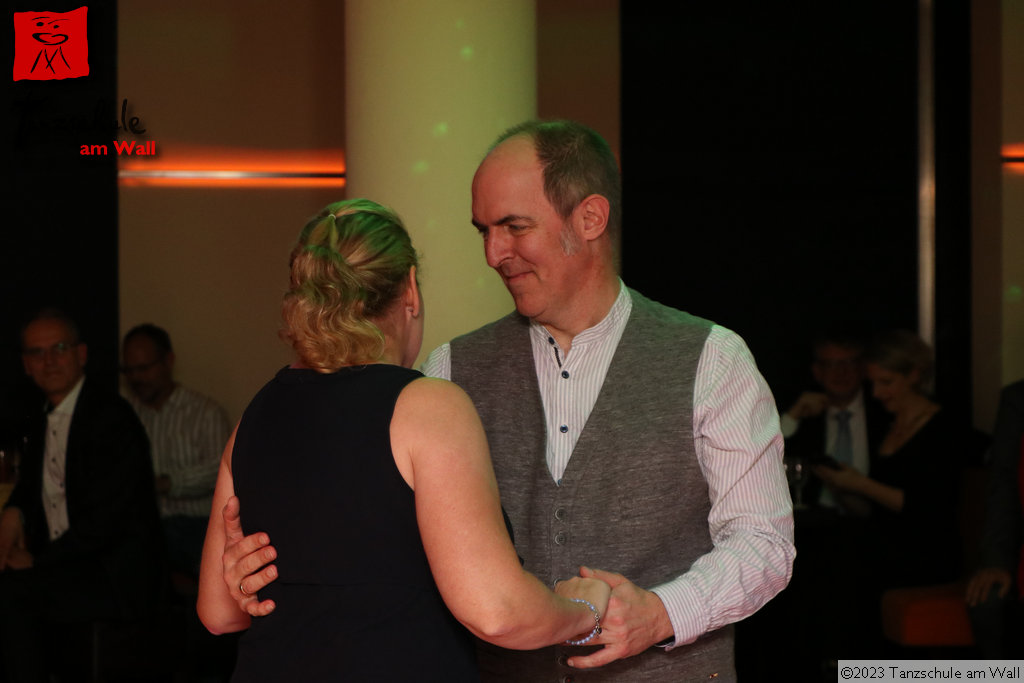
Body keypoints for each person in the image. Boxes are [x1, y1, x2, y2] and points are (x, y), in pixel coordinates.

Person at [221, 121, 794, 682]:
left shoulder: (713, 359)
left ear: (590, 218)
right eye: (484, 231)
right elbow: (375, 531)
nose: (494, 253)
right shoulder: (448, 371)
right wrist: (266, 571)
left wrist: (663, 613)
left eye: (514, 227)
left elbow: (763, 543)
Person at [196, 199, 612, 682]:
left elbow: (218, 613)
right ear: (410, 289)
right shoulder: (427, 406)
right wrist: (584, 611)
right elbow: (497, 612)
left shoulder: (255, 416)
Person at [0, 309, 163, 683]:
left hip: (112, 575)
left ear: (81, 354)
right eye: (37, 352)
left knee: (11, 594)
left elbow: (107, 522)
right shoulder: (42, 417)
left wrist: (37, 561)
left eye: (59, 348)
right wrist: (14, 512)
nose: (49, 361)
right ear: (26, 365)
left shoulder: (111, 418)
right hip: (71, 565)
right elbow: (33, 485)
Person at [122, 323, 231, 576]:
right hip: (143, 526)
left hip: (197, 525)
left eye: (144, 368)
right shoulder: (127, 415)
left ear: (168, 361)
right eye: (129, 370)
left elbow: (219, 472)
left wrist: (165, 484)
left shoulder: (205, 412)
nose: (136, 378)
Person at [782, 333, 889, 512]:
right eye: (831, 364)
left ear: (863, 368)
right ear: (817, 371)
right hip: (816, 520)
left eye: (849, 363)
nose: (841, 372)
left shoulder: (884, 411)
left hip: (877, 520)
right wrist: (793, 415)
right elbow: (769, 459)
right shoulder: (806, 416)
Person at [966, 379, 1024, 657]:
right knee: (988, 599)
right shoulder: (1018, 398)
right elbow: (1003, 488)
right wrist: (996, 561)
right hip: (1018, 552)